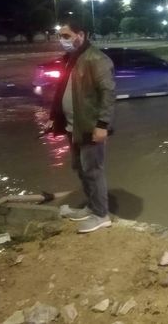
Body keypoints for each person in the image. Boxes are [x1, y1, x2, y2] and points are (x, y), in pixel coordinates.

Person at [45, 18, 116, 233]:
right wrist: (54, 117)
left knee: (93, 170)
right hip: (72, 127)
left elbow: (108, 93)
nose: (62, 40)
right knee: (81, 169)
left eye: (66, 36)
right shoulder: (71, 58)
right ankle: (92, 207)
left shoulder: (96, 59)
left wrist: (102, 125)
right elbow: (62, 90)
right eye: (60, 36)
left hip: (89, 127)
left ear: (81, 35)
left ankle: (101, 215)